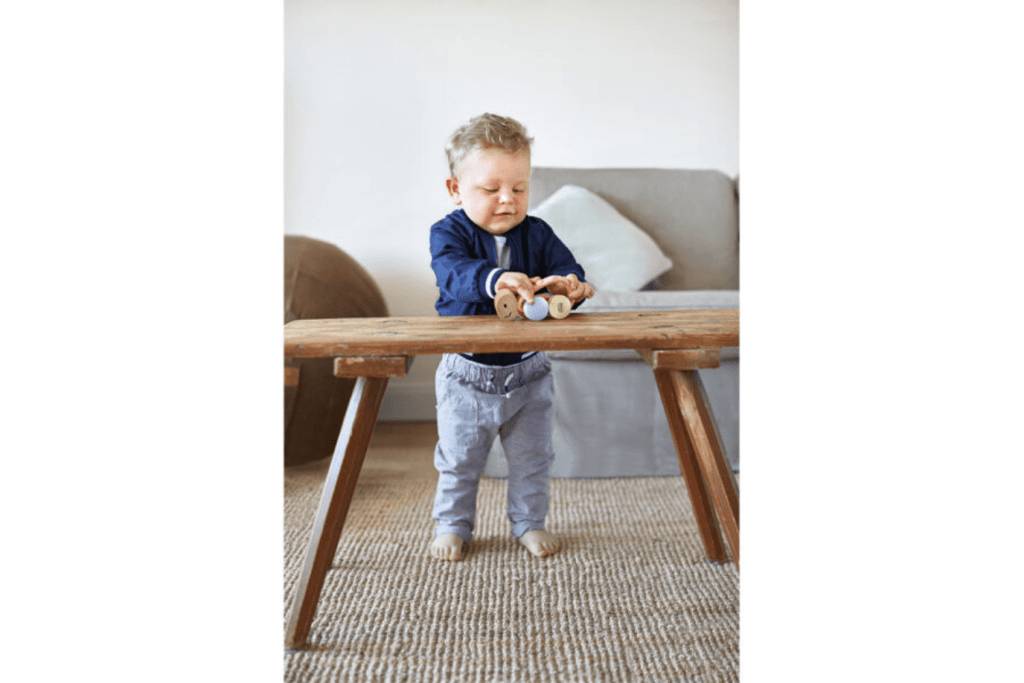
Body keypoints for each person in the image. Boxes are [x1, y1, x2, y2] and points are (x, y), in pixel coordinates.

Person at [428, 113, 594, 562]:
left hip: (529, 372)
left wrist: (569, 286)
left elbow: (567, 269)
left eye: (519, 189)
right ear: (456, 189)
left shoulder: (537, 233)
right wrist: (497, 278)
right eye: (491, 189)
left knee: (533, 459)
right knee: (460, 459)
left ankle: (528, 522)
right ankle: (453, 523)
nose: (508, 200)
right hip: (467, 372)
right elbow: (456, 274)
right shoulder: (447, 234)